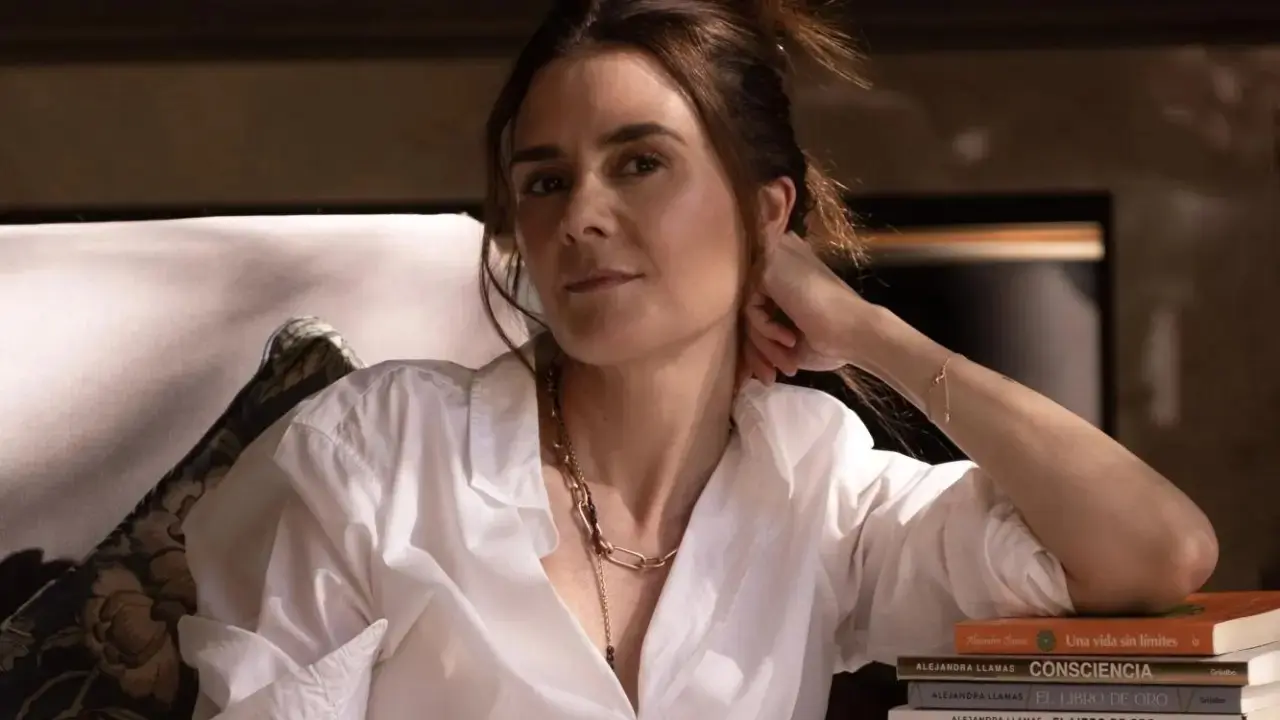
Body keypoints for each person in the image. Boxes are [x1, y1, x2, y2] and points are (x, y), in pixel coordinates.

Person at [177, 1, 1219, 718]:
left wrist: (872, 334)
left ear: (767, 213)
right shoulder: (373, 456)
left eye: (640, 163)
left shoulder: (817, 486)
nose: (581, 217)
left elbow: (1153, 552)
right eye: (544, 182)